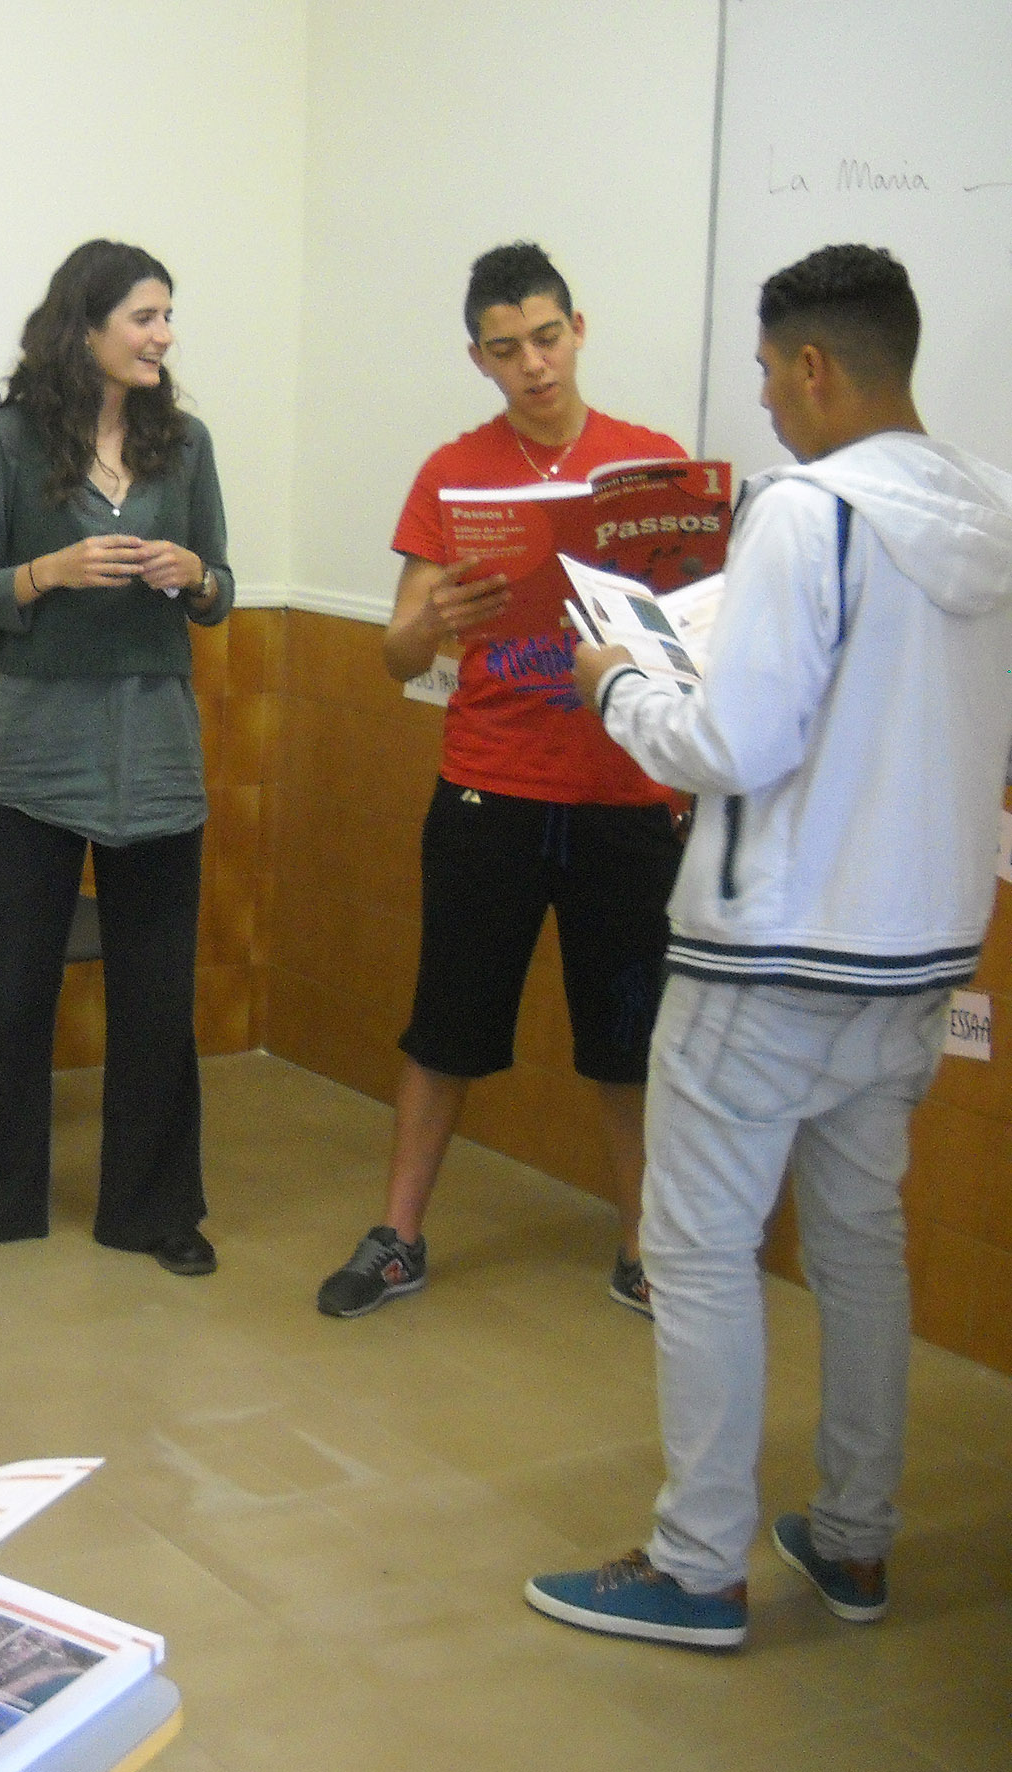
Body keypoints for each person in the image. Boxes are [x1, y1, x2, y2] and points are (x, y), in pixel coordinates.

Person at [527, 245, 1012, 1648]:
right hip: (917, 956)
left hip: (770, 957)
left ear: (811, 365)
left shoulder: (807, 514)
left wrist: (619, 678)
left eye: (763, 373)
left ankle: (694, 1567)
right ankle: (852, 1542)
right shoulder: (987, 509)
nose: (763, 403)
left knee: (694, 1252)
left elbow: (732, 744)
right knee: (860, 1248)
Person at [314, 242, 687, 1320]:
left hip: (624, 795)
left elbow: (691, 634)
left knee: (627, 1040)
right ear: (477, 358)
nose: (532, 364)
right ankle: (397, 1236)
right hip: (490, 784)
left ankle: (642, 1248)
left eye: (547, 337)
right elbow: (394, 655)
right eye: (505, 348)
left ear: (578, 329)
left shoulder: (648, 464)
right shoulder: (452, 471)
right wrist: (430, 623)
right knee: (446, 1026)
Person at [0, 240, 233, 1278]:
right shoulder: (7, 442)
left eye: (168, 316)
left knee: (157, 991)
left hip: (156, 745)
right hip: (36, 745)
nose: (162, 335)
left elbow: (223, 589)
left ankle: (156, 1209)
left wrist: (193, 575)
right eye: (143, 316)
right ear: (83, 327)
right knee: (11, 984)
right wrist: (49, 569)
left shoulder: (189, 444)